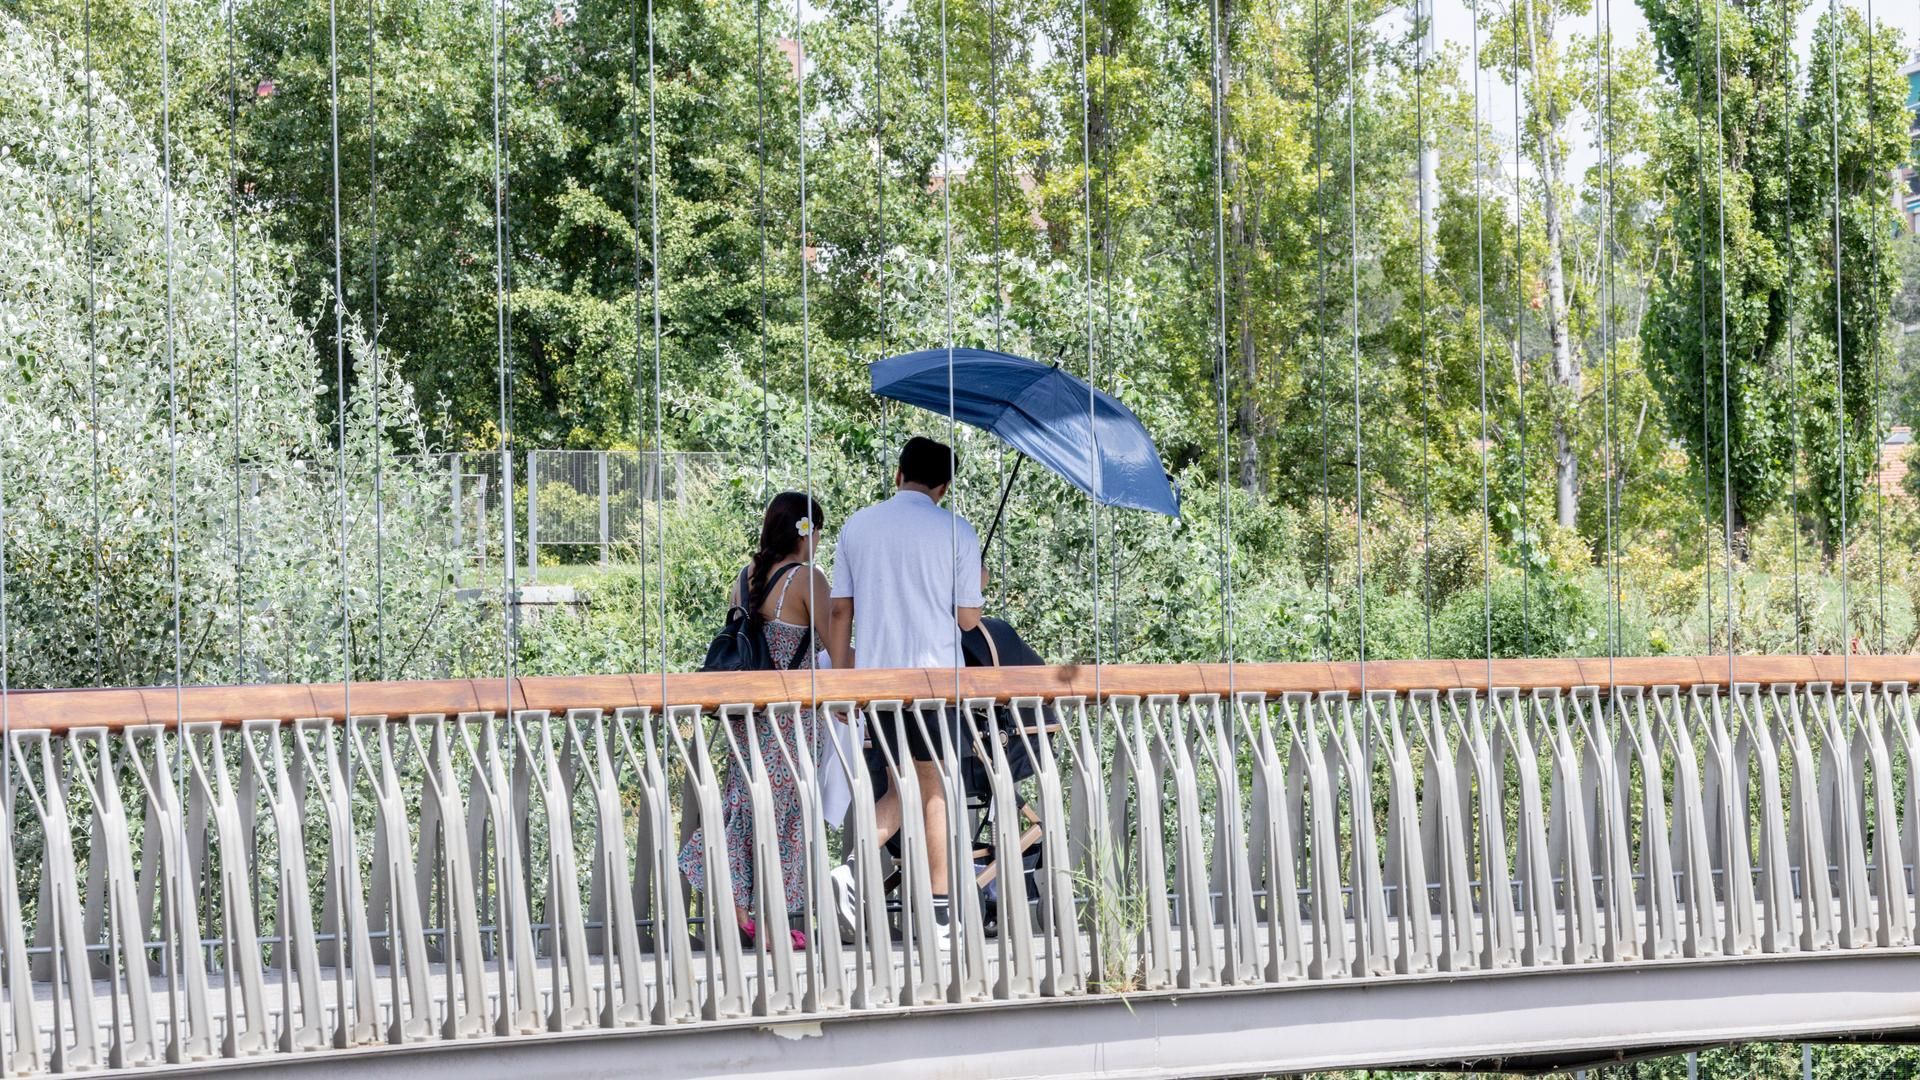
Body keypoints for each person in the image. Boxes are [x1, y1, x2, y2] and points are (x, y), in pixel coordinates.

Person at [825, 436, 983, 942]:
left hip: (878, 683)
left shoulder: (857, 526)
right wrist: (976, 578)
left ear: (898, 475)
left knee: (902, 786)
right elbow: (968, 619)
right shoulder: (957, 531)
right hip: (935, 682)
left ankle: (853, 871)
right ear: (944, 486)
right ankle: (939, 914)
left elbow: (840, 611)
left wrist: (844, 681)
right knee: (935, 789)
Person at [678, 492, 831, 951]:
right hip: (791, 718)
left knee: (745, 805)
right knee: (785, 814)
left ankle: (743, 914)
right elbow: (834, 646)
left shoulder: (745, 578)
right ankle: (770, 924)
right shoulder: (807, 579)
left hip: (747, 716)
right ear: (807, 531)